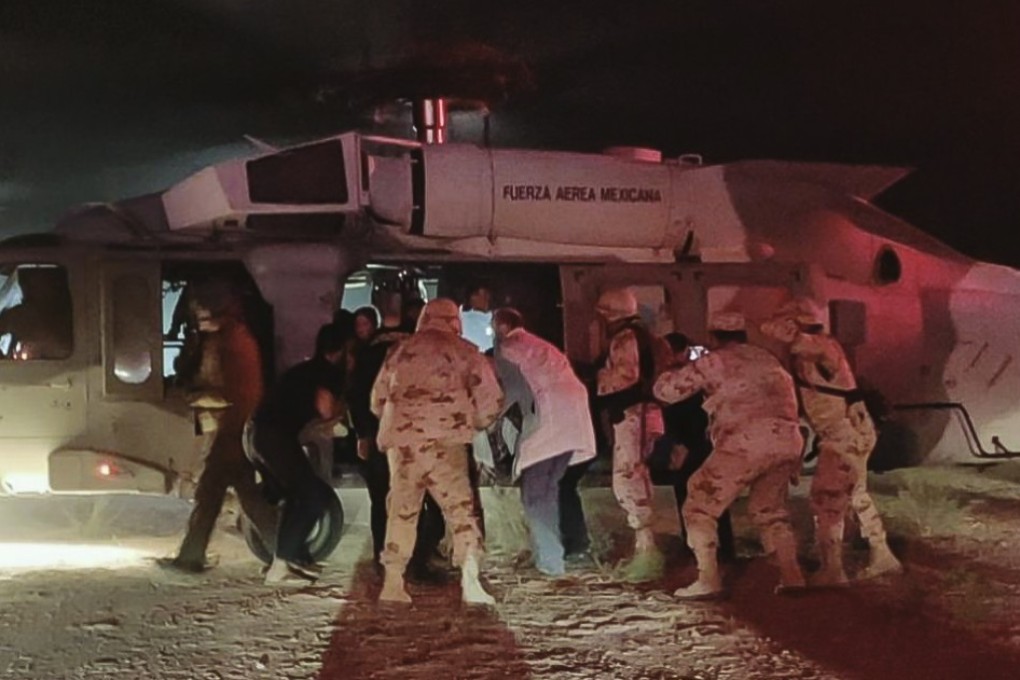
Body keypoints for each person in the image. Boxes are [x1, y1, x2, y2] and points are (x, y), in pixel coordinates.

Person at [654, 311, 806, 599]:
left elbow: (667, 391)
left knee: (699, 503)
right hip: (788, 439)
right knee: (770, 510)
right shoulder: (767, 358)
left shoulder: (715, 360)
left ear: (713, 336)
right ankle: (792, 575)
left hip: (746, 441)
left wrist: (664, 364)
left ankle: (708, 579)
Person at [371, 298, 504, 605]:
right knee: (459, 509)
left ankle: (393, 582)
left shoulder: (400, 350)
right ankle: (470, 580)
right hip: (446, 442)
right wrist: (474, 423)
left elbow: (377, 400)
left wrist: (403, 423)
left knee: (402, 510)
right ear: (454, 321)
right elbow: (491, 401)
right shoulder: (465, 351)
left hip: (402, 445)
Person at [761, 299, 901, 585]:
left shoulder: (818, 346)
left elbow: (787, 337)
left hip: (842, 437)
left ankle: (833, 569)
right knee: (857, 496)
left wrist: (778, 327)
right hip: (850, 434)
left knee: (827, 499)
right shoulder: (821, 347)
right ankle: (882, 554)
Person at [166, 280, 276, 573]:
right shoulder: (229, 337)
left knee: (214, 494)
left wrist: (200, 396)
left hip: (233, 432)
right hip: (236, 432)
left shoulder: (234, 341)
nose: (198, 320)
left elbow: (238, 393)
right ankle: (286, 555)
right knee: (242, 498)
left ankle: (191, 557)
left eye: (202, 314)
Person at [346, 295, 446, 581]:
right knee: (416, 498)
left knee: (381, 499)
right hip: (414, 437)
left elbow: (358, 396)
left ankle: (384, 559)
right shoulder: (416, 350)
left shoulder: (368, 353)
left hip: (381, 436)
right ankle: (416, 561)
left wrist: (363, 433)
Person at [491, 308, 597, 577]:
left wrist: (492, 420)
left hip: (547, 422)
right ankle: (552, 554)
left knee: (536, 497)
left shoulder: (508, 347)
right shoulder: (541, 346)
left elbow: (513, 390)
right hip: (573, 419)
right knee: (550, 490)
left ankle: (551, 563)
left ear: (501, 327)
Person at [246, 323, 347, 584]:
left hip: (257, 434)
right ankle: (280, 565)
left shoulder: (304, 370)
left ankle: (290, 559)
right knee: (312, 495)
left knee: (295, 495)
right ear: (340, 350)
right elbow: (325, 409)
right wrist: (341, 412)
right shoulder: (326, 373)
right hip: (273, 436)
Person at [594, 287, 667, 582]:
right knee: (637, 475)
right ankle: (645, 548)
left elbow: (624, 377)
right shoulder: (648, 338)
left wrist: (597, 379)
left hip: (633, 414)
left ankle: (646, 552)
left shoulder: (626, 339)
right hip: (647, 412)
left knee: (628, 478)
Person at [648, 332, 736, 562]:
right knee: (705, 497)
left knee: (697, 497)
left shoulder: (685, 379)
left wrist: (683, 445)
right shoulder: (688, 376)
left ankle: (706, 553)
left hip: (695, 444)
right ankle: (717, 549)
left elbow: (692, 416)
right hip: (696, 442)